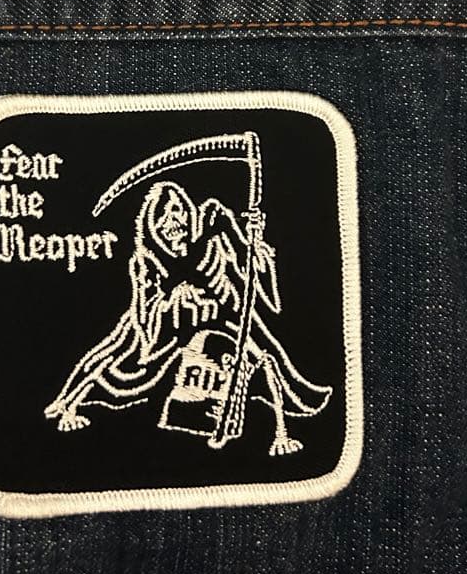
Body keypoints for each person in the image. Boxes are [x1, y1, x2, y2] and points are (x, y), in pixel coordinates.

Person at [45, 179, 332, 454]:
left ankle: (281, 435)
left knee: (265, 361)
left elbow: (260, 289)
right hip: (168, 336)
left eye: (179, 211)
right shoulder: (146, 262)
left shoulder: (213, 230)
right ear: (151, 224)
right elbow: (145, 326)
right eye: (164, 215)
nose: (174, 222)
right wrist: (173, 302)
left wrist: (253, 243)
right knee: (115, 363)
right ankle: (69, 407)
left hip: (223, 330)